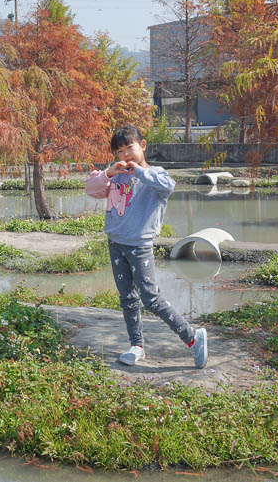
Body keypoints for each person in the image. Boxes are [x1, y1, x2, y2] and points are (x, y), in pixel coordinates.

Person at [85, 125, 208, 368]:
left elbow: (168, 186)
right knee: (127, 297)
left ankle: (192, 338)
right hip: (116, 243)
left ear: (142, 145)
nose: (125, 155)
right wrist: (109, 173)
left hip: (139, 246)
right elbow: (92, 189)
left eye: (129, 147)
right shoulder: (117, 175)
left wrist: (138, 171)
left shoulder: (156, 174)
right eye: (119, 151)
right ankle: (136, 345)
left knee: (151, 299)